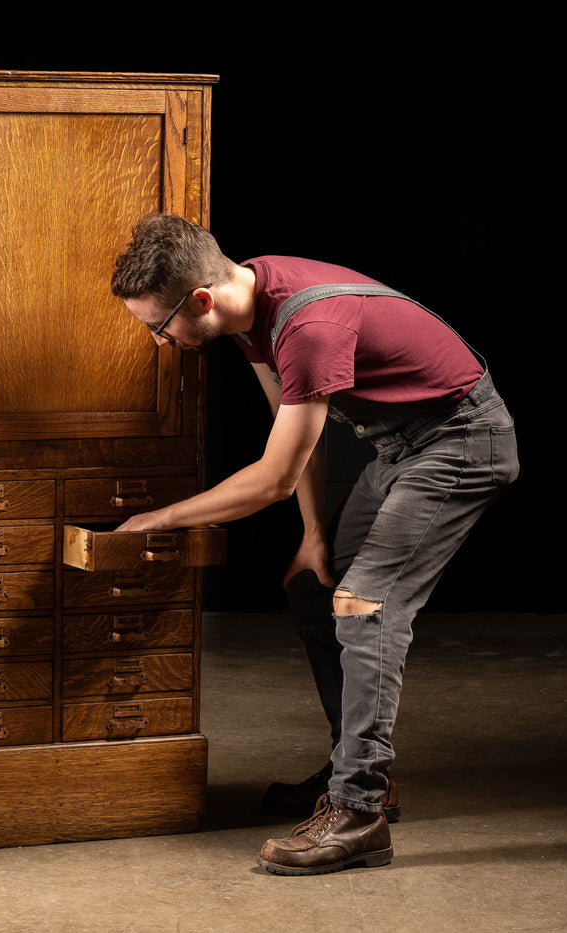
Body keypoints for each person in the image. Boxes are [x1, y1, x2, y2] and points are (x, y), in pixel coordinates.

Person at [109, 213, 519, 876]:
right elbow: (296, 436)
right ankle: (353, 774)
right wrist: (315, 536)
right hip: (397, 447)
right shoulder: (255, 303)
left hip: (461, 442)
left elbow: (271, 477)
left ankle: (358, 814)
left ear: (202, 301)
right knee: (315, 586)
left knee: (366, 605)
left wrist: (161, 519)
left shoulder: (306, 326)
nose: (160, 342)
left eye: (160, 327)